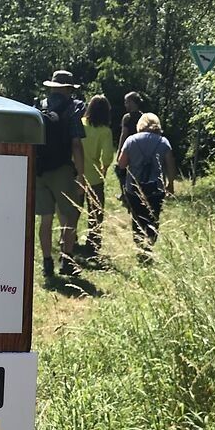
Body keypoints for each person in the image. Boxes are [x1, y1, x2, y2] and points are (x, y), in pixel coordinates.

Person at [35, 69, 86, 278]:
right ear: (68, 88)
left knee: (46, 219)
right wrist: (80, 175)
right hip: (62, 170)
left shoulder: (38, 107)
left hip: (39, 170)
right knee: (70, 215)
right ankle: (66, 260)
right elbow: (76, 144)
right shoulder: (72, 109)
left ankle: (47, 263)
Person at [118, 112, 176, 257]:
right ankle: (150, 242)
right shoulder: (164, 142)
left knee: (137, 215)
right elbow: (170, 165)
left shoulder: (131, 140)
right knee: (153, 215)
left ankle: (139, 244)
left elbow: (121, 163)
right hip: (156, 188)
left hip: (134, 188)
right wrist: (171, 183)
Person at [79, 94, 114, 258]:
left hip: (75, 173)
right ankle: (92, 245)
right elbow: (107, 156)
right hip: (93, 176)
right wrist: (104, 169)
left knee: (73, 211)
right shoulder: (105, 131)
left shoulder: (79, 123)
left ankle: (68, 241)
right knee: (95, 213)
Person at [114, 91, 144, 201]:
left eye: (127, 102)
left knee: (121, 171)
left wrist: (119, 151)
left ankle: (124, 193)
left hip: (128, 148)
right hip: (140, 149)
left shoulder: (127, 117)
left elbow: (124, 134)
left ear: (132, 102)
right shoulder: (143, 116)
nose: (125, 104)